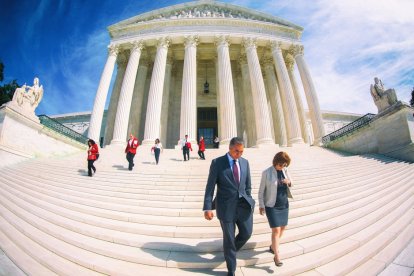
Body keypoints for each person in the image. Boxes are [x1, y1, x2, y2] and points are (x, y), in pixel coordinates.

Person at [203, 137, 255, 276]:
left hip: (243, 206)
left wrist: (249, 199)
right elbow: (210, 187)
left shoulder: (245, 163)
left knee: (247, 233)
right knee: (229, 239)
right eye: (237, 151)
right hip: (226, 208)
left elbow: (248, 186)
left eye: (242, 151)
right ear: (230, 148)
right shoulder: (217, 163)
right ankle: (231, 269)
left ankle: (229, 251)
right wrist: (207, 207)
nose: (239, 154)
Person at [258, 151, 293, 267]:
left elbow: (292, 182)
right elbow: (261, 191)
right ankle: (277, 255)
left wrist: (289, 182)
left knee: (283, 228)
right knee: (276, 230)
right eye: (281, 164)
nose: (282, 167)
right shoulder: (266, 173)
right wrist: (261, 205)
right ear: (276, 162)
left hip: (284, 203)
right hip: (271, 205)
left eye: (284, 165)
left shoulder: (285, 170)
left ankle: (273, 246)